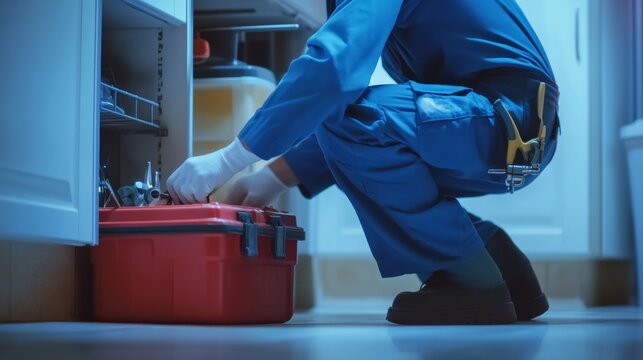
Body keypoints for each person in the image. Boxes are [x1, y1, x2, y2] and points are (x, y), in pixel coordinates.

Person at [167, 0, 560, 325]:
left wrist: (229, 158)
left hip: (501, 121)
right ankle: (502, 266)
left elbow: (333, 74)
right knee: (356, 118)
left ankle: (470, 281)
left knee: (349, 115)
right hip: (521, 129)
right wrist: (271, 178)